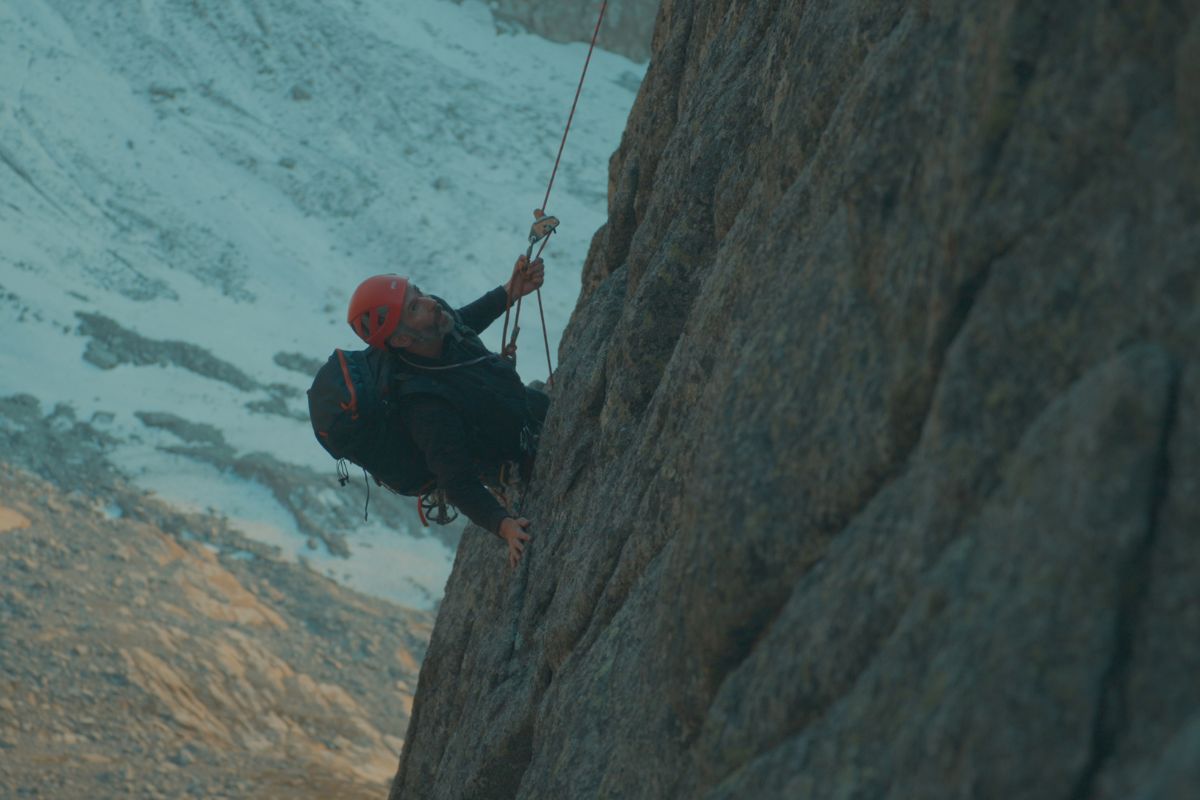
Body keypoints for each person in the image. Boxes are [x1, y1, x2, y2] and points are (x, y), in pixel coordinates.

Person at [345, 255, 549, 568]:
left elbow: (465, 320)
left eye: (418, 292)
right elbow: (458, 483)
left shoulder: (436, 328)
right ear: (401, 338)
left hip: (522, 410)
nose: (430, 303)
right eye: (415, 307)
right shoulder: (425, 406)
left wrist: (511, 290)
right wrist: (504, 525)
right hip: (520, 457)